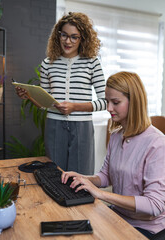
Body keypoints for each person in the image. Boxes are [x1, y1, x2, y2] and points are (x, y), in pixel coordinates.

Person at [61, 71, 165, 238]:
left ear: (134, 102)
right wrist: (85, 179)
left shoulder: (157, 144)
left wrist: (100, 194)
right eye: (107, 101)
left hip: (148, 229)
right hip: (118, 217)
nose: (108, 108)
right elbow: (106, 176)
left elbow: (154, 205)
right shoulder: (116, 136)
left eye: (115, 102)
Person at [15, 12, 106, 175]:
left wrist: (75, 107)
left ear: (82, 39)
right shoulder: (47, 64)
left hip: (82, 128)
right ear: (58, 35)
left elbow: (105, 101)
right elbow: (45, 105)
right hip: (54, 126)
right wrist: (28, 96)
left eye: (74, 37)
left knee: (81, 177)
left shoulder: (92, 63)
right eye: (64, 35)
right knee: (55, 175)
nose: (67, 41)